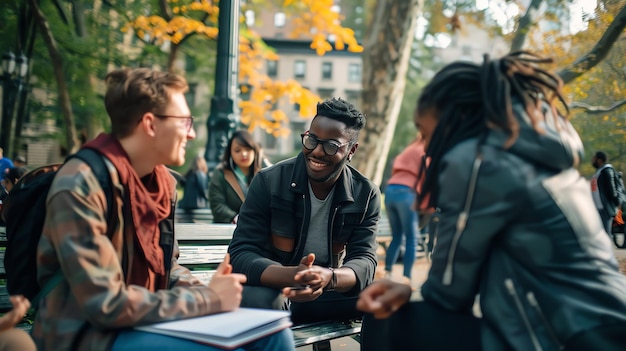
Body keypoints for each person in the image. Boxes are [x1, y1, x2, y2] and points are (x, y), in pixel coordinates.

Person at [357, 52, 626, 351]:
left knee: (382, 317)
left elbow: (448, 293)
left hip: (564, 338)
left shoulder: (476, 161)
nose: (426, 147)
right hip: (604, 327)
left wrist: (405, 291)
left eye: (425, 132)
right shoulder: (534, 154)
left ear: (454, 119)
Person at [32, 67, 294, 351]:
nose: (192, 134)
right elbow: (104, 304)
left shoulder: (162, 185)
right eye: (184, 121)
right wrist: (208, 300)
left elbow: (167, 270)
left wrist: (206, 292)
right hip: (86, 336)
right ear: (150, 124)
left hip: (149, 321)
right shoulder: (81, 184)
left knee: (274, 333)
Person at [228, 97, 380, 324]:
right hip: (275, 292)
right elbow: (240, 254)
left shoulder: (365, 194)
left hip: (326, 293)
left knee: (381, 299)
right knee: (267, 300)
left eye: (330, 145)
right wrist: (293, 276)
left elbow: (365, 260)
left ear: (351, 150)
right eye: (311, 140)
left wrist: (329, 277)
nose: (317, 152)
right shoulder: (269, 182)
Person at [383, 135, 425, 284]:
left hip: (390, 191)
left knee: (397, 237)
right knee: (412, 239)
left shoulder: (407, 150)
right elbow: (427, 179)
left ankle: (387, 272)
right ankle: (407, 277)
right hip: (407, 193)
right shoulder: (425, 150)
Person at [209, 130, 263, 224]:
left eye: (248, 149)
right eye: (238, 150)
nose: (244, 154)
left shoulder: (263, 175)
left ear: (255, 151)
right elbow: (217, 206)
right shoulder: (220, 174)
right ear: (230, 153)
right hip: (228, 232)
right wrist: (236, 218)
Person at [591, 151, 622, 234]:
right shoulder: (598, 171)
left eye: (594, 158)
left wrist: (616, 203)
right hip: (598, 208)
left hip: (605, 208)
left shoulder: (607, 171)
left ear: (599, 160)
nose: (592, 160)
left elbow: (612, 189)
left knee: (606, 233)